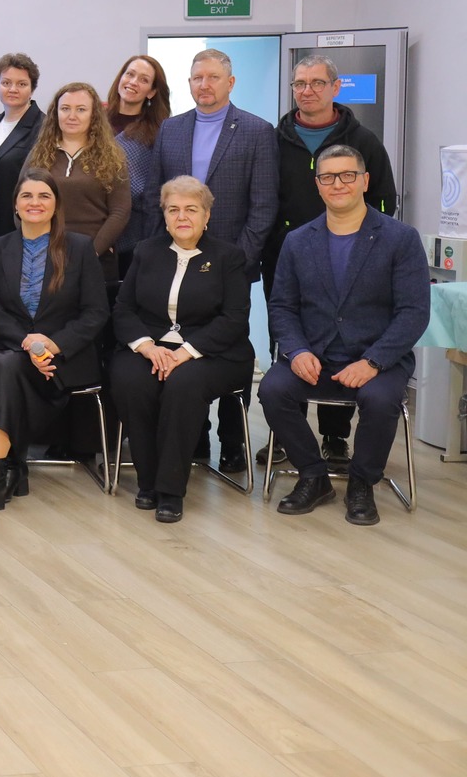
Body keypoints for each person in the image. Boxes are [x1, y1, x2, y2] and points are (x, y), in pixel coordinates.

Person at [259, 145, 430, 527]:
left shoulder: (401, 239)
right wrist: (296, 350)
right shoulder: (297, 240)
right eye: (328, 177)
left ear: (365, 181)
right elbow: (282, 306)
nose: (338, 184)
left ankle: (361, 483)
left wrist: (373, 361)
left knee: (379, 399)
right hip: (314, 355)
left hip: (377, 357)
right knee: (272, 390)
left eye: (347, 175)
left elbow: (414, 312)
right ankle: (313, 475)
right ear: (317, 184)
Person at [263, 54, 399, 466]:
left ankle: (335, 437)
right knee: (289, 343)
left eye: (317, 83)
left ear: (335, 88)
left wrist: (368, 245)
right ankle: (286, 437)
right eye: (300, 84)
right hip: (287, 257)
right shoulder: (274, 139)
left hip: (350, 259)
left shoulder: (364, 141)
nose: (307, 91)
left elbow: (384, 199)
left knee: (343, 340)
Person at [0, 169, 108, 519]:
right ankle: (10, 464)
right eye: (27, 196)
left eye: (44, 196)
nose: (35, 202)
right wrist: (27, 343)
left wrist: (51, 344)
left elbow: (96, 312)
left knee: (6, 369)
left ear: (56, 205)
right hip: (11, 341)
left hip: (63, 352)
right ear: (16, 205)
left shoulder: (80, 248)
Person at [154, 48, 278, 473]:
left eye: (212, 77)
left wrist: (238, 262)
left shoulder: (257, 131)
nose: (203, 85)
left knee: (228, 347)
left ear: (230, 82)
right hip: (178, 261)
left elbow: (264, 206)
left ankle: (232, 440)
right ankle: (194, 437)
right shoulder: (171, 129)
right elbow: (157, 197)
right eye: (196, 78)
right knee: (182, 343)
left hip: (232, 263)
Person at [109, 177, 253, 522]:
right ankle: (148, 482)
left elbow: (234, 318)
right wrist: (147, 347)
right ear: (164, 215)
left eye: (191, 209)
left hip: (214, 352)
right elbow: (124, 309)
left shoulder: (229, 257)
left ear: (207, 215)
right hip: (150, 348)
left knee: (183, 384)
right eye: (173, 209)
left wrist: (186, 351)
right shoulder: (146, 251)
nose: (182, 217)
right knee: (131, 381)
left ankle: (171, 490)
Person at [25, 82, 131, 280]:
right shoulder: (38, 154)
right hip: (44, 257)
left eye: (81, 109)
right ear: (56, 113)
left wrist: (91, 252)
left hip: (95, 259)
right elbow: (20, 203)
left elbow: (120, 212)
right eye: (65, 109)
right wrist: (37, 246)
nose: (72, 116)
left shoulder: (112, 157)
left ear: (94, 115)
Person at [105, 54, 171, 275]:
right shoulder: (93, 121)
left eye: (143, 80)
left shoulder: (160, 132)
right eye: (130, 74)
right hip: (91, 230)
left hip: (135, 237)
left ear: (152, 92)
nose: (133, 82)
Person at [0, 53, 44, 238]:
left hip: (19, 224)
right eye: (6, 83)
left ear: (32, 89)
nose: (13, 89)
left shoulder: (44, 128)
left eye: (21, 84)